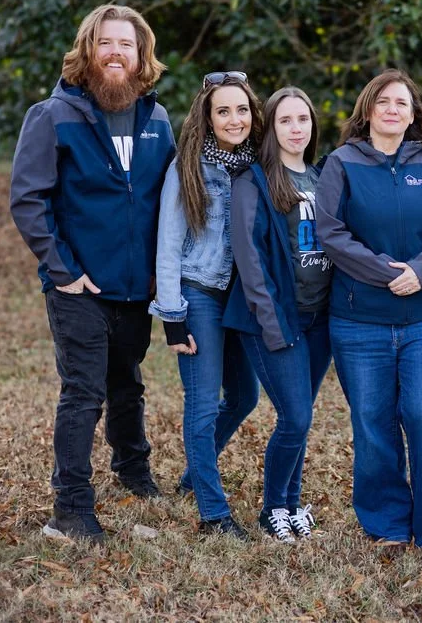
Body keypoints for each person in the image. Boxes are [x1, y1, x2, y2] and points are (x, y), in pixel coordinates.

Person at [9, 4, 175, 544]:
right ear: (87, 51)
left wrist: (160, 273)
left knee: (127, 384)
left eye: (126, 44)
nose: (115, 54)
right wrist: (63, 272)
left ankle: (133, 473)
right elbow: (28, 200)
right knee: (83, 392)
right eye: (105, 43)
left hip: (136, 286)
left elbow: (170, 200)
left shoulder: (158, 119)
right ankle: (71, 510)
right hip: (78, 284)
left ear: (141, 53)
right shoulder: (52, 115)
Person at [315, 68, 422, 549]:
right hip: (359, 320)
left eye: (401, 103)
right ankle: (388, 522)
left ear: (413, 114)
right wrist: (386, 272)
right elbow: (330, 233)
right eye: (383, 102)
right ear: (367, 110)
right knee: (373, 423)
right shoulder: (341, 163)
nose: (392, 110)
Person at [148, 71, 262, 539]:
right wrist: (173, 318)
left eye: (242, 110)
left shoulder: (260, 165)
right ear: (207, 117)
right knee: (202, 405)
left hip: (242, 299)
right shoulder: (188, 166)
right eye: (223, 111)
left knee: (244, 396)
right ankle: (214, 514)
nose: (234, 119)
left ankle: (193, 474)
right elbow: (168, 245)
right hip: (199, 294)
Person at [223, 87, 333, 542]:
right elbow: (249, 260)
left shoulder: (324, 176)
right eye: (285, 120)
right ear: (272, 127)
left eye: (303, 120)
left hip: (319, 320)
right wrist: (274, 327)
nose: (296, 129)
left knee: (300, 414)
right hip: (274, 320)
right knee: (295, 417)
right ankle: (273, 510)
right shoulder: (254, 181)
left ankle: (291, 505)